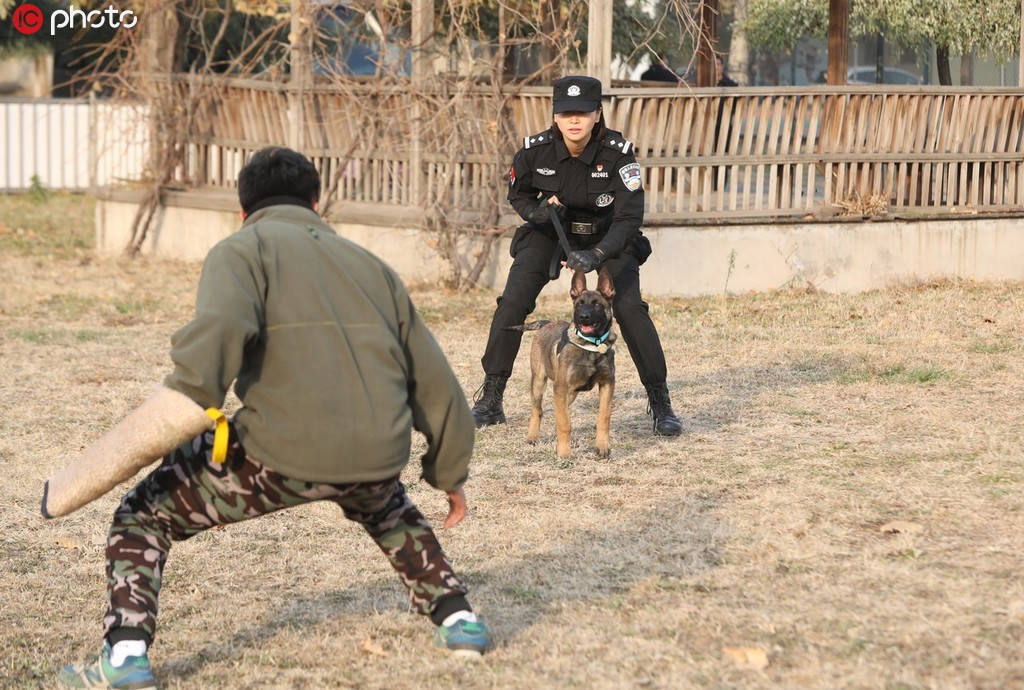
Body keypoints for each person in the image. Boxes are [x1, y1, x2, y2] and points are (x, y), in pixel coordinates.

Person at [58, 147, 490, 689]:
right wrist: (449, 473)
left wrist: (189, 396)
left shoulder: (240, 250)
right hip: (376, 450)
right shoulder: (371, 266)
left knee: (141, 516)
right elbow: (435, 380)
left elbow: (217, 337)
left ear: (244, 210)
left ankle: (124, 656)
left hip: (278, 449)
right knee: (385, 505)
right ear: (316, 204)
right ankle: (459, 619)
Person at [471, 75, 683, 437]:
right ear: (555, 115)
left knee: (629, 308)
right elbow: (518, 194)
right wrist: (535, 212)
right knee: (513, 301)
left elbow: (629, 217)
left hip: (608, 236)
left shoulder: (618, 153)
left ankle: (660, 400)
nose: (574, 120)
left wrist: (598, 253)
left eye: (583, 113)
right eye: (566, 113)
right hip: (552, 231)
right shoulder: (535, 151)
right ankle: (491, 397)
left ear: (597, 114)